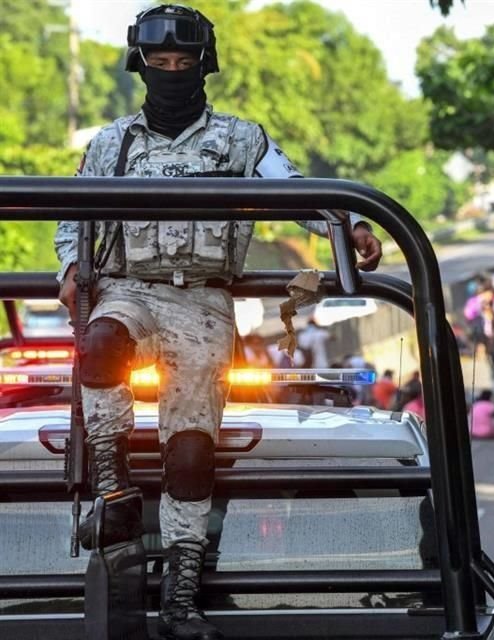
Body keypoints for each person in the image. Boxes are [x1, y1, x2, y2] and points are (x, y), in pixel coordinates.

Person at [53, 6, 383, 639]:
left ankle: (181, 597)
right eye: (161, 63)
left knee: (191, 456)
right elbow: (71, 218)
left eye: (183, 63)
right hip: (129, 290)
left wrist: (352, 226)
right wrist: (71, 267)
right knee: (99, 346)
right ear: (141, 65)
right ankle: (114, 489)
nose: (172, 73)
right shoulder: (108, 143)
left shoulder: (242, 140)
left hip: (204, 304)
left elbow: (298, 193)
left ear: (204, 65)